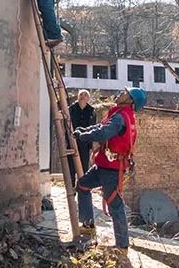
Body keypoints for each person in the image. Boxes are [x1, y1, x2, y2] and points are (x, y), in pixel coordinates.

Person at [73, 87, 147, 254]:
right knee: (83, 185)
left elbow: (103, 133)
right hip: (104, 164)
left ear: (130, 100)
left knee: (115, 206)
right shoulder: (119, 113)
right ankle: (88, 225)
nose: (120, 94)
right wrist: (84, 130)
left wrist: (83, 136)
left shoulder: (121, 117)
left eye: (125, 93)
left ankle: (122, 246)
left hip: (112, 169)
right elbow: (101, 126)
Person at [68, 89, 97, 183]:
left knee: (84, 164)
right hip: (72, 139)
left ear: (88, 98)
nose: (83, 96)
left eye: (85, 95)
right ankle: (71, 185)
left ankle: (82, 185)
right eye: (81, 94)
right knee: (71, 165)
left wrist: (91, 143)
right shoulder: (71, 109)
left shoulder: (91, 110)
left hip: (85, 141)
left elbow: (93, 126)